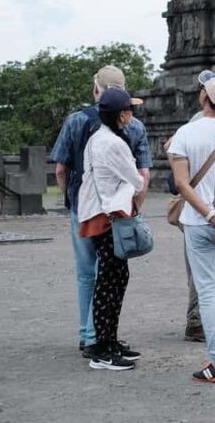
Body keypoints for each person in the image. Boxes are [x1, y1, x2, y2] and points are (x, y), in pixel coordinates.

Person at [52, 65, 151, 357]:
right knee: (112, 273)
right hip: (119, 210)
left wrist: (70, 199)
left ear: (96, 89)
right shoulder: (133, 126)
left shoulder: (76, 121)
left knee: (88, 274)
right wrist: (134, 208)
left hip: (84, 207)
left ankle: (89, 334)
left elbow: (60, 168)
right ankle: (103, 338)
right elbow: (143, 175)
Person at [168, 76, 215, 383]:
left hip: (199, 221)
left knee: (208, 289)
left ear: (204, 98)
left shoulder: (186, 133)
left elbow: (182, 183)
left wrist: (207, 212)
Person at [77, 87, 146, 370]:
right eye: (129, 110)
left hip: (98, 213)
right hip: (108, 215)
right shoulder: (114, 143)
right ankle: (103, 350)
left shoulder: (97, 137)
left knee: (113, 279)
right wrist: (136, 181)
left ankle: (107, 341)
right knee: (110, 282)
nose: (132, 114)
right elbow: (138, 180)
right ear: (121, 114)